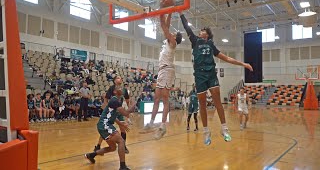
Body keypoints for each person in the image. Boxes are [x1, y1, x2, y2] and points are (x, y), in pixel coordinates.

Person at [179, 11, 253, 145]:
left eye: (202, 31)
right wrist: (180, 13)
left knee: (217, 99)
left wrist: (243, 64)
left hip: (211, 73)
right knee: (202, 104)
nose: (200, 32)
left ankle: (224, 129)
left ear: (206, 34)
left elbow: (227, 58)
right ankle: (206, 131)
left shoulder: (211, 45)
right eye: (200, 31)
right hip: (200, 75)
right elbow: (187, 27)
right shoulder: (195, 41)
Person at [143, 12, 182, 140]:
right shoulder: (167, 42)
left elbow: (165, 27)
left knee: (165, 98)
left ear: (175, 38)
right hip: (161, 71)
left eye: (174, 34)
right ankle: (151, 121)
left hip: (168, 70)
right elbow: (167, 27)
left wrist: (162, 14)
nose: (172, 34)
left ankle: (163, 126)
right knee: (156, 98)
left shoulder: (173, 43)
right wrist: (169, 14)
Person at [84, 85, 136, 170]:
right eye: (119, 88)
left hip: (104, 125)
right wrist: (133, 103)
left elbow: (113, 116)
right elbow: (126, 113)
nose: (121, 89)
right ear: (115, 92)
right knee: (121, 141)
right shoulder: (114, 100)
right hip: (105, 124)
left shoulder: (118, 100)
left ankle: (91, 155)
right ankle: (122, 167)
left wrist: (121, 124)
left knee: (112, 148)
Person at [93, 75, 131, 154]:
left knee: (122, 128)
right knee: (106, 128)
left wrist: (128, 108)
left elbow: (127, 100)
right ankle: (98, 145)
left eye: (120, 77)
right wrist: (107, 108)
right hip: (112, 110)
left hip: (119, 111)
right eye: (117, 78)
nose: (119, 79)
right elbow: (106, 99)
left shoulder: (124, 90)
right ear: (114, 81)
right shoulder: (111, 88)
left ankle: (123, 146)